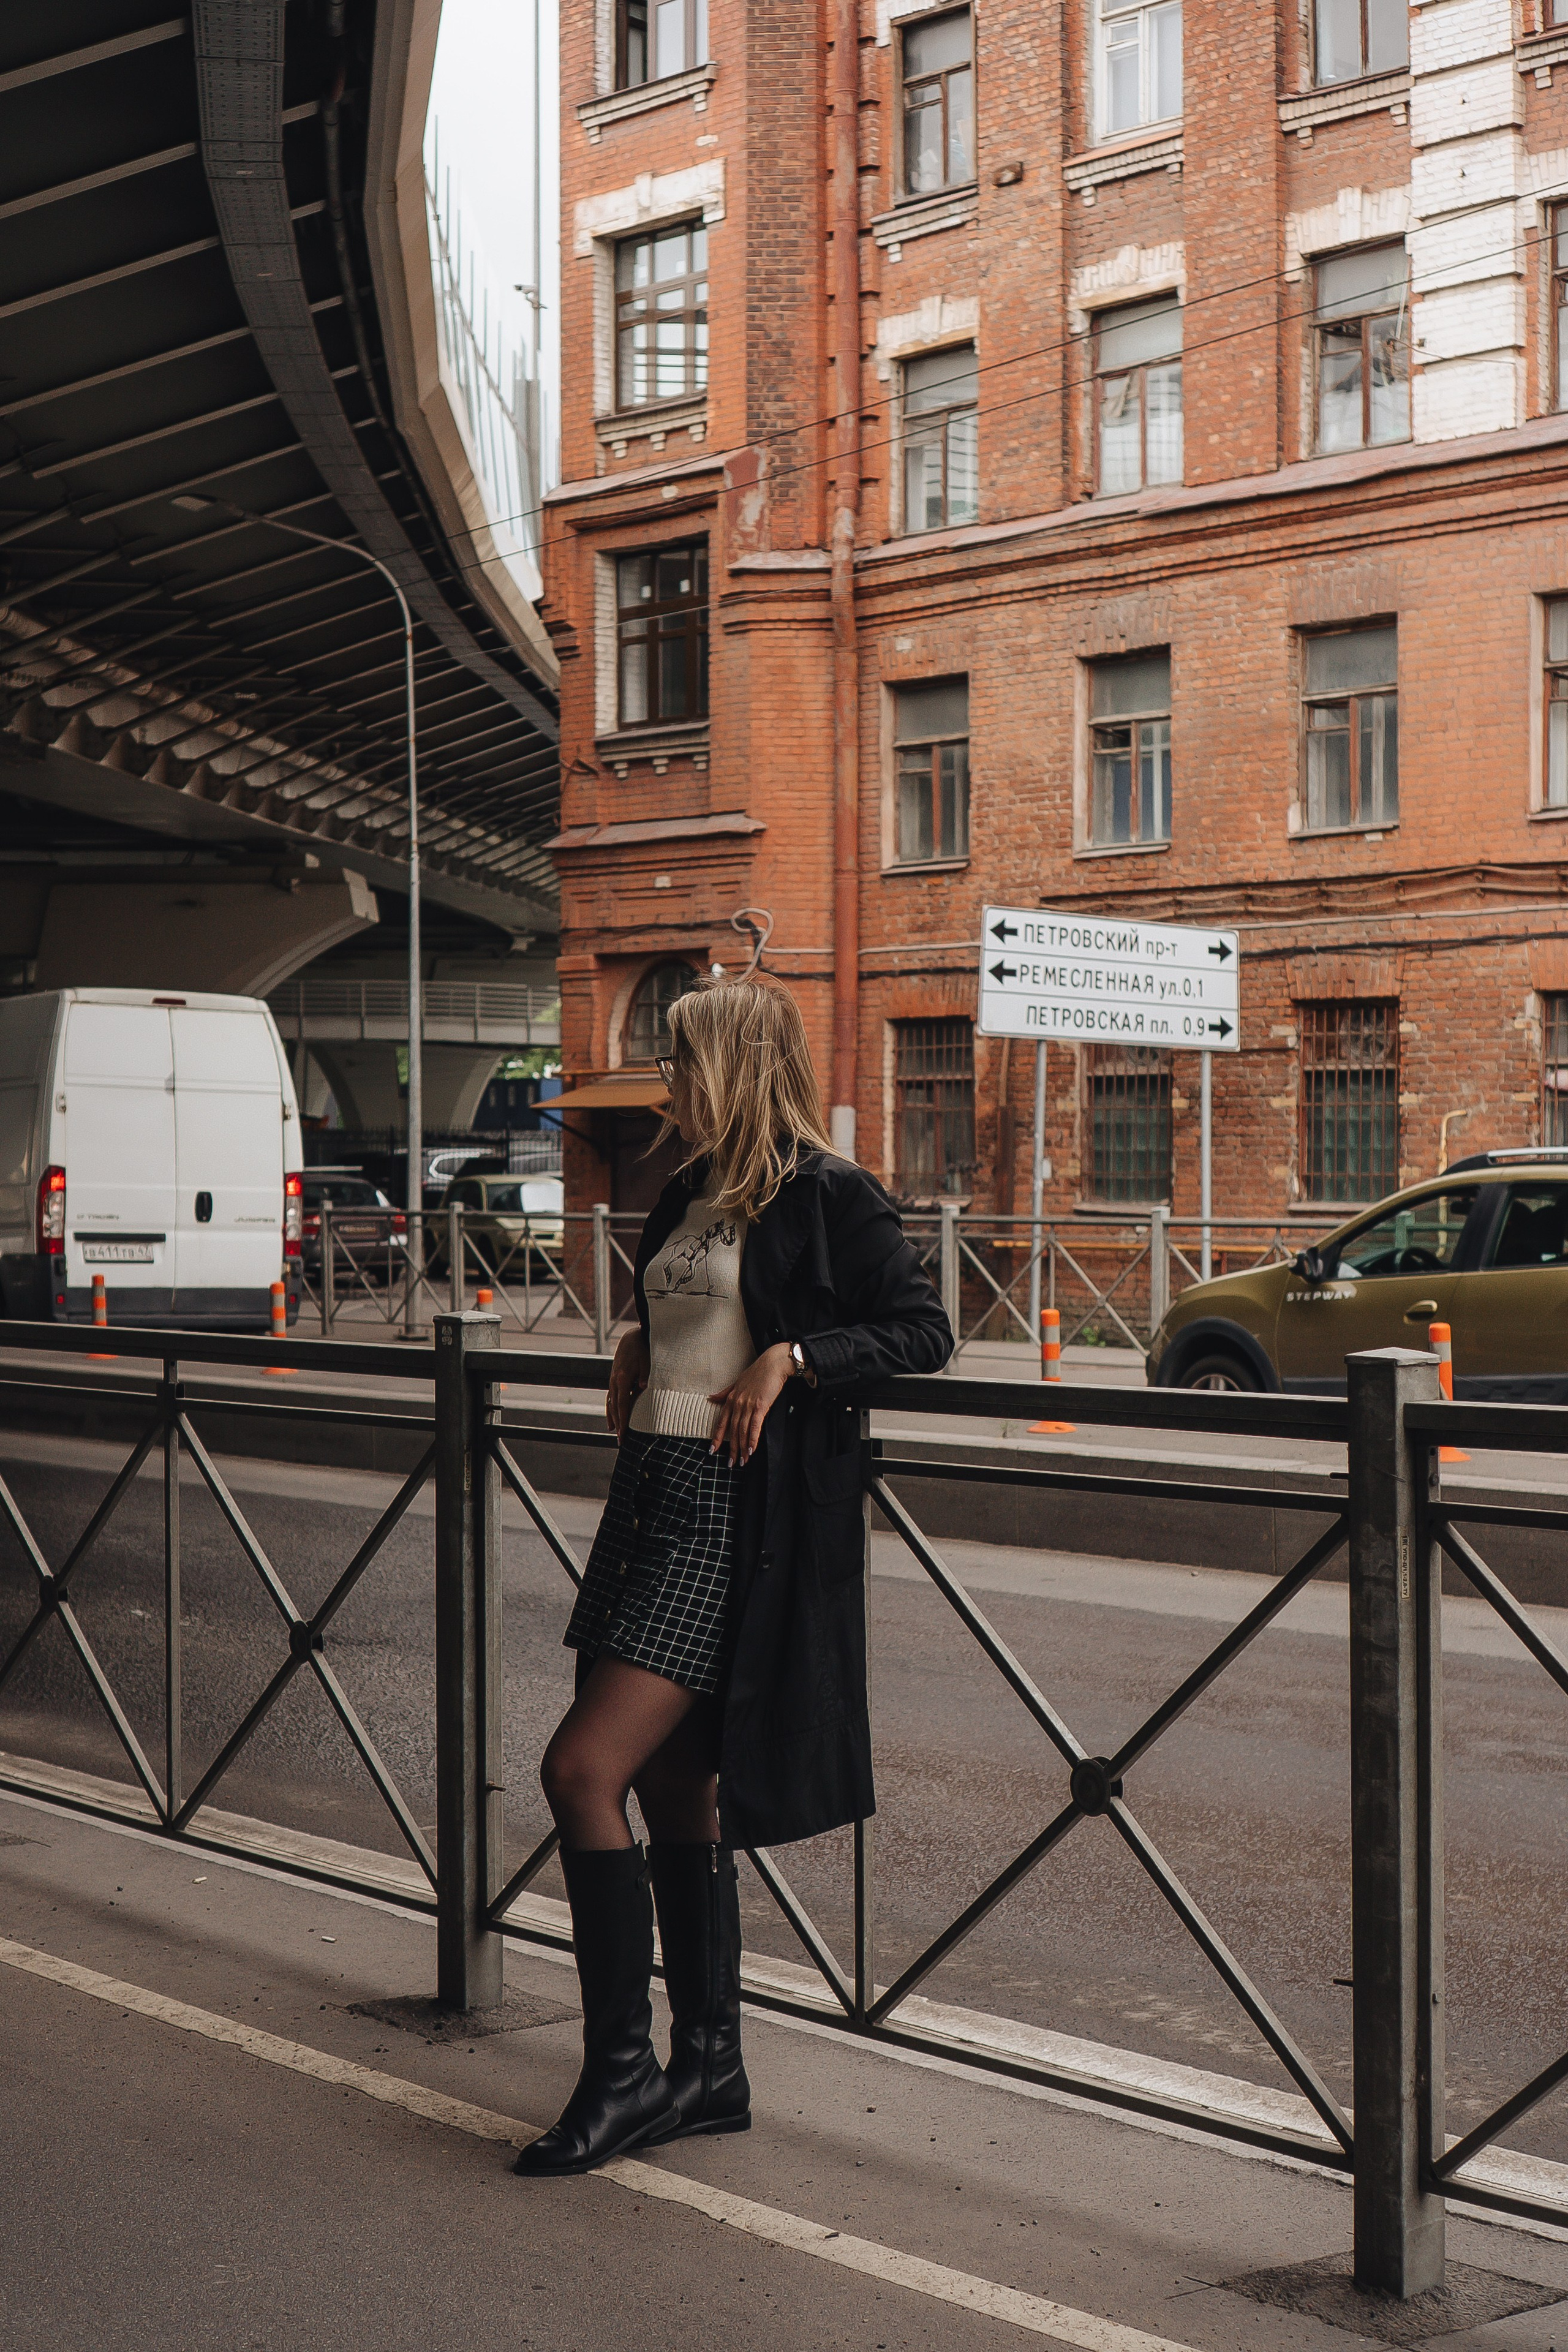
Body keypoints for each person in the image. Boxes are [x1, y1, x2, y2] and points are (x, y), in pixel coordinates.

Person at [513, 976, 953, 2178]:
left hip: (726, 1514)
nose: (670, 1081)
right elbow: (683, 1315)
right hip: (648, 1494)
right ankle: (707, 2067)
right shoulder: (689, 1192)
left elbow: (921, 1330)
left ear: (740, 1065)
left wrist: (794, 1357)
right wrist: (629, 1344)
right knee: (665, 1786)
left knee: (579, 1768)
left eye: (686, 1059)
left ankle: (620, 2079)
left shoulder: (824, 1194)